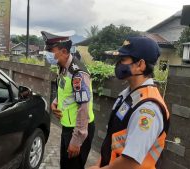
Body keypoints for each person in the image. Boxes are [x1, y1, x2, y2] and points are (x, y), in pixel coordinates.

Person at [88, 37, 170, 169]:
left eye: (123, 60)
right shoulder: (127, 94)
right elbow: (111, 140)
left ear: (140, 65)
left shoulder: (148, 109)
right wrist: (100, 163)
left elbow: (130, 162)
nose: (118, 65)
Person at [41, 30, 95, 169]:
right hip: (68, 127)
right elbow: (64, 90)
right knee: (64, 165)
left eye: (50, 50)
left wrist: (77, 140)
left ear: (64, 51)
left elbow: (83, 108)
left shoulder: (77, 74)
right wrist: (55, 103)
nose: (48, 54)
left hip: (79, 130)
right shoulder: (63, 67)